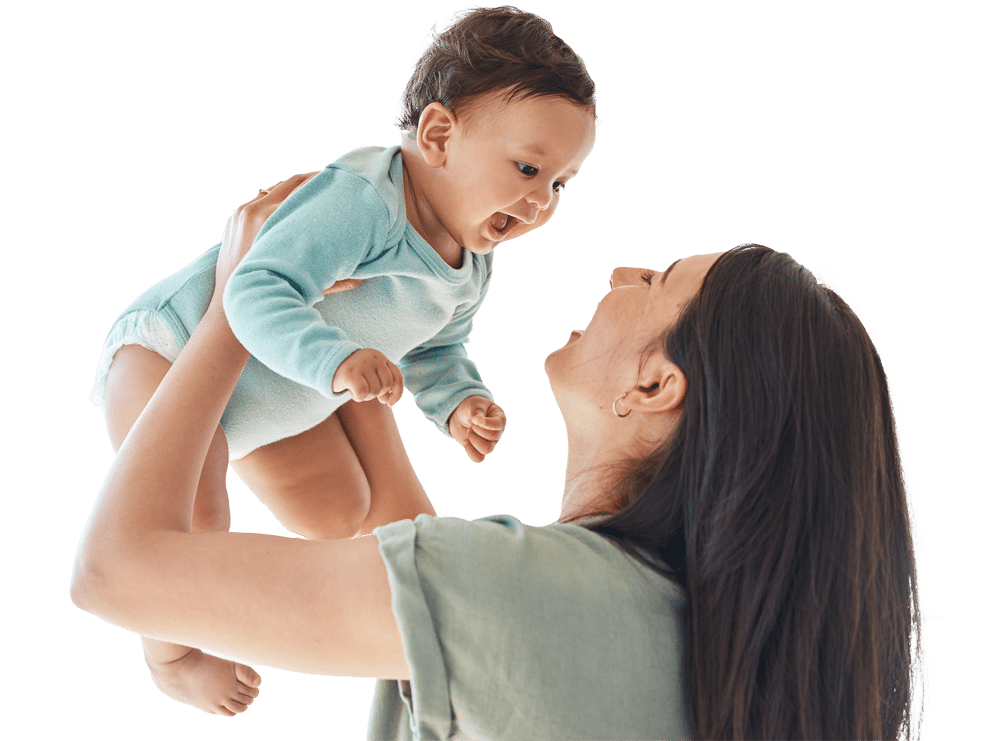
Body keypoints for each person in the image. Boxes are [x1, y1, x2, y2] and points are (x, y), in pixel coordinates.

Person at [71, 179, 931, 739]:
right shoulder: (677, 633)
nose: (624, 271)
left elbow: (117, 571)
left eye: (659, 279)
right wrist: (360, 333)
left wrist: (236, 303)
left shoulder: (527, 592)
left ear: (656, 383)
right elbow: (412, 543)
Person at [86, 5, 599, 715]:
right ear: (439, 135)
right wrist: (337, 362)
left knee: (342, 509)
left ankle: (379, 609)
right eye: (529, 169)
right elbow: (256, 287)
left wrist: (457, 401)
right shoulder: (364, 203)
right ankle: (171, 656)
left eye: (560, 184)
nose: (542, 201)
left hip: (276, 389)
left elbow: (438, 346)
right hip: (170, 354)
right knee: (195, 518)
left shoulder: (471, 261)